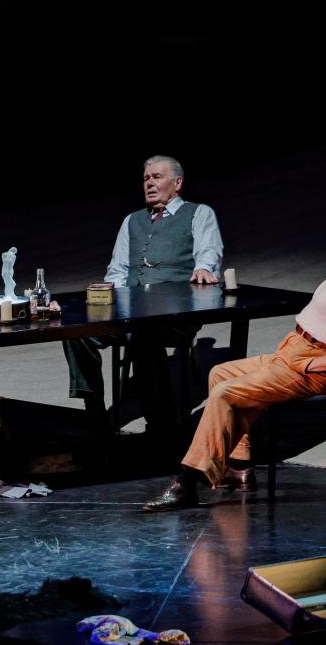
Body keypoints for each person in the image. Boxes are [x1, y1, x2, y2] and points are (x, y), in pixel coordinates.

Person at [142, 207, 326, 512]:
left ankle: (186, 482)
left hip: (312, 365)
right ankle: (239, 467)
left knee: (226, 394)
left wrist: (310, 365)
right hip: (295, 352)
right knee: (221, 374)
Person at [62, 155, 223, 439]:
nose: (149, 183)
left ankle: (160, 423)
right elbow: (117, 270)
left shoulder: (199, 213)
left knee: (145, 332)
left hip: (175, 314)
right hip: (130, 312)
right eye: (146, 178)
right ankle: (95, 412)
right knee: (76, 330)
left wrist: (204, 268)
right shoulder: (132, 220)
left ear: (177, 183)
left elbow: (209, 253)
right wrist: (107, 303)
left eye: (157, 177)